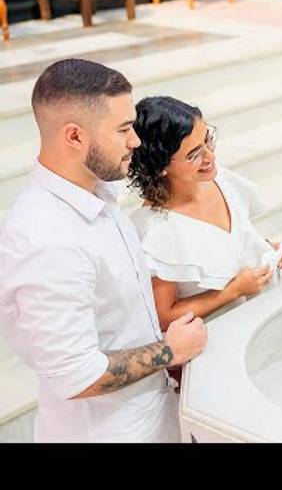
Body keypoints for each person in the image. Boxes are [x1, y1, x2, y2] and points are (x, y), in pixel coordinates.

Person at [0, 59, 207, 442]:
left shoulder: (96, 191)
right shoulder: (45, 240)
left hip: (149, 415)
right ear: (76, 137)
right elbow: (76, 375)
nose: (136, 141)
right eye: (124, 129)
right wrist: (169, 350)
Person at [128, 96, 282, 334]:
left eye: (208, 140)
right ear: (161, 166)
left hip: (265, 323)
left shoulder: (221, 181)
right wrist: (232, 291)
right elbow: (164, 318)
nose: (210, 157)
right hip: (219, 342)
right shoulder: (156, 231)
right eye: (194, 154)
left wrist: (266, 251)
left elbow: (227, 247)